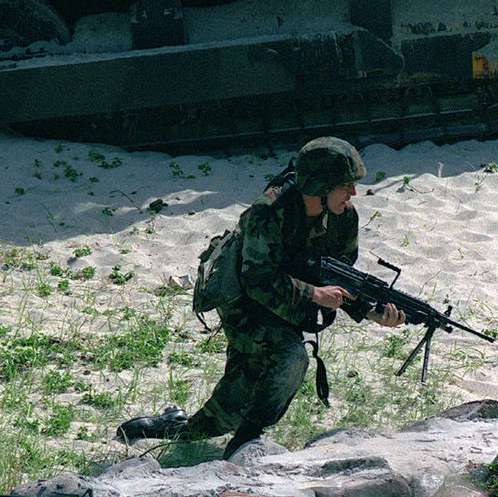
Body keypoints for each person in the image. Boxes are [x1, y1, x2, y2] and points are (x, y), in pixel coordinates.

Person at [117, 136, 403, 458]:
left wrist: (371, 310)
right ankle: (245, 442)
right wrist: (314, 294)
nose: (353, 192)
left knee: (230, 407)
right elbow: (256, 280)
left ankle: (176, 426)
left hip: (285, 305)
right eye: (345, 184)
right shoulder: (269, 212)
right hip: (243, 301)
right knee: (290, 357)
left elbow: (339, 276)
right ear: (320, 186)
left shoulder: (344, 217)